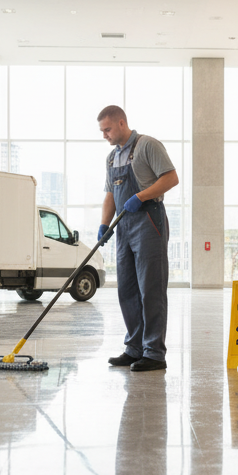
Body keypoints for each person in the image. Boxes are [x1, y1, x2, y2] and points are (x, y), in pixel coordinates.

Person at [96, 105, 179, 372]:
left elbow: (171, 178)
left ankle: (154, 353)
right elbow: (110, 195)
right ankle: (134, 348)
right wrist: (104, 224)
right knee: (128, 290)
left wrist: (140, 196)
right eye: (102, 131)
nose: (105, 135)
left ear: (122, 123)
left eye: (107, 129)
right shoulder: (111, 158)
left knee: (151, 289)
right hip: (124, 226)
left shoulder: (147, 146)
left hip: (148, 222)